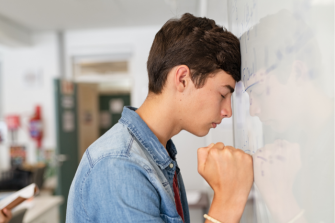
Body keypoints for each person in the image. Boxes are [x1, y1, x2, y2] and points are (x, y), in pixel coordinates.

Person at [66, 13, 254, 223]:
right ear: (182, 79)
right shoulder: (119, 165)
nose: (228, 111)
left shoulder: (158, 154)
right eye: (222, 94)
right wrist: (227, 202)